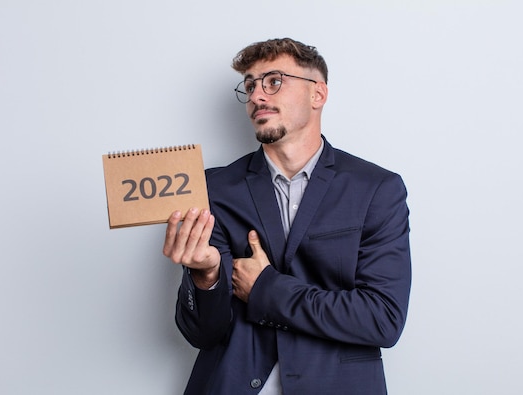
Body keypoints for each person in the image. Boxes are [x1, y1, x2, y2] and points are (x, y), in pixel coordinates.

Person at [163, 38, 411, 395]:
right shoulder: (212, 188)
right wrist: (207, 276)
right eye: (250, 85)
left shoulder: (376, 189)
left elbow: (382, 319)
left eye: (273, 81)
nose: (257, 96)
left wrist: (264, 288)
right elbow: (202, 333)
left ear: (318, 94)